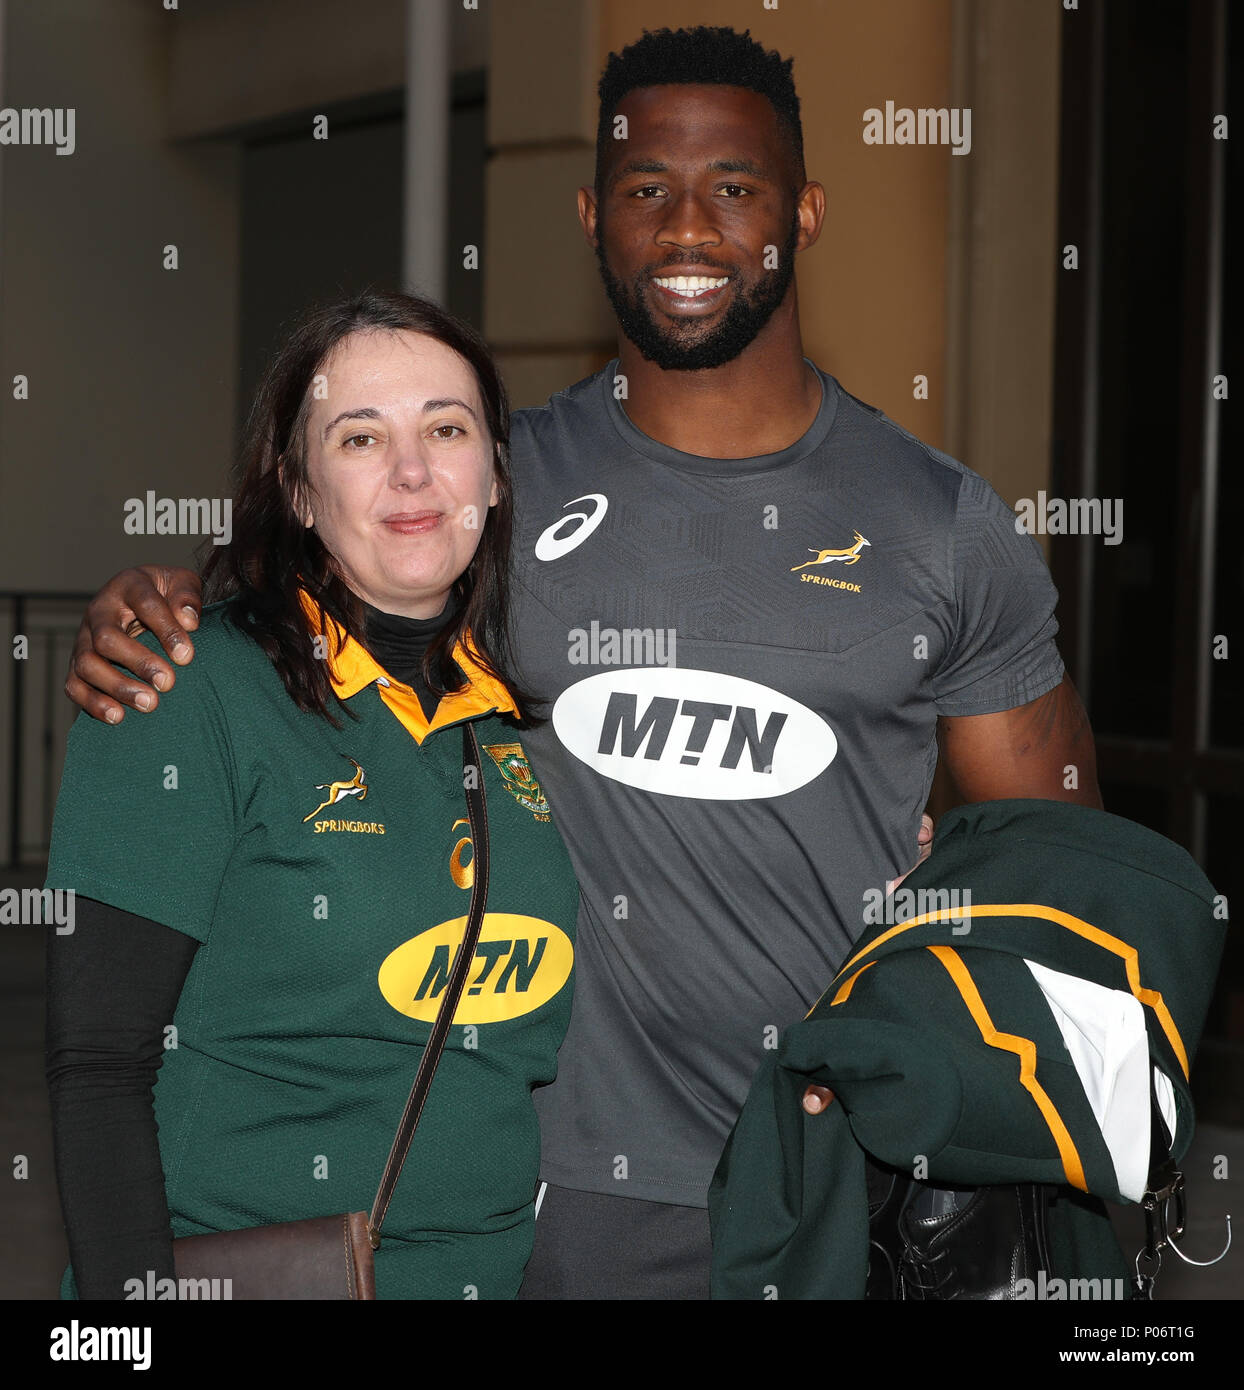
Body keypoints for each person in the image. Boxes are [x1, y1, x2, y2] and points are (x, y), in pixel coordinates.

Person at [63, 27, 1100, 1300]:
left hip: (831, 1172)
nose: (686, 227)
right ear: (589, 216)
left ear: (805, 212)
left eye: (736, 185)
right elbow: (296, 585)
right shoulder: (488, 488)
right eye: (643, 189)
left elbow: (1056, 875)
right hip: (541, 1189)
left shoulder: (942, 524)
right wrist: (154, 597)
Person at [44, 290, 580, 1300]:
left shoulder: (504, 722)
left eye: (446, 428)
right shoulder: (184, 685)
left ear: (496, 475)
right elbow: (98, 1070)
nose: (412, 470)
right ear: (297, 490)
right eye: (360, 437)